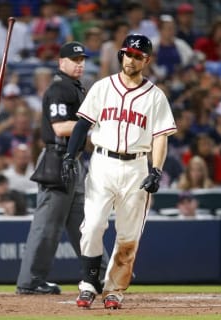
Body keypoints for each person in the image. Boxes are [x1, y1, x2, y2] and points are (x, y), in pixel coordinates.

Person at [61, 34, 176, 309]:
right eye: (128, 53)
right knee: (92, 227)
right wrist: (69, 155)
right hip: (102, 163)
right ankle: (89, 283)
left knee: (127, 236)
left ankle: (114, 290)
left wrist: (156, 170)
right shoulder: (102, 87)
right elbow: (82, 125)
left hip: (137, 166)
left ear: (146, 60)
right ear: (121, 55)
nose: (131, 59)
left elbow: (161, 137)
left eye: (138, 56)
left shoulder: (155, 97)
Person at [16, 41, 109, 295]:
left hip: (74, 161)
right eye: (74, 60)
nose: (79, 64)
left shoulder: (77, 89)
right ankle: (31, 282)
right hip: (57, 161)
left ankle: (101, 274)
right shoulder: (59, 89)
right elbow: (60, 127)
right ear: (61, 62)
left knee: (86, 224)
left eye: (82, 60)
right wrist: (98, 126)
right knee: (47, 226)